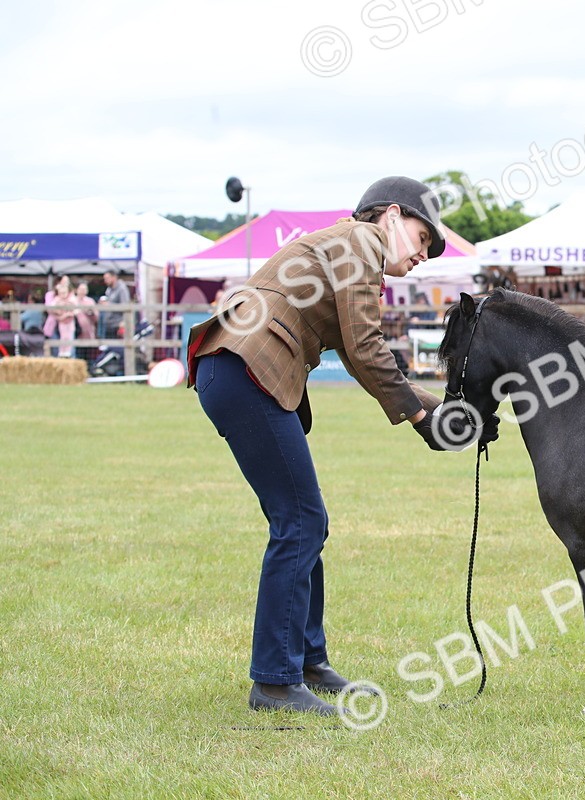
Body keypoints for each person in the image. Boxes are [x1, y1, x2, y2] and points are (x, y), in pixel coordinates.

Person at [186, 176, 498, 716]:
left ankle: (306, 663)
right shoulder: (361, 243)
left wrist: (439, 410)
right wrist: (426, 417)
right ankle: (276, 683)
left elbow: (358, 356)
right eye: (423, 238)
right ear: (392, 216)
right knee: (301, 520)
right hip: (246, 368)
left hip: (236, 367)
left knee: (306, 521)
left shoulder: (345, 246)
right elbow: (366, 345)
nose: (423, 254)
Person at [42, 275, 78, 357]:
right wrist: (60, 314)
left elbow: (75, 308)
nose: (67, 283)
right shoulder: (50, 295)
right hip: (54, 324)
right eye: (64, 281)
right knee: (56, 348)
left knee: (69, 346)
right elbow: (50, 309)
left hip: (67, 322)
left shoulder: (70, 295)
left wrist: (67, 313)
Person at [99, 269, 131, 339]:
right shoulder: (109, 289)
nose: (105, 281)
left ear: (114, 277)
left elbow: (125, 306)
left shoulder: (122, 289)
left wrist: (109, 305)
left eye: (107, 278)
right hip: (109, 324)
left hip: (118, 325)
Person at [74, 282, 98, 361]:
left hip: (88, 332)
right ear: (76, 290)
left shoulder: (90, 301)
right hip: (76, 333)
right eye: (81, 289)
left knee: (88, 355)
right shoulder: (73, 301)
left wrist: (91, 313)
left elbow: (96, 317)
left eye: (84, 289)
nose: (82, 291)